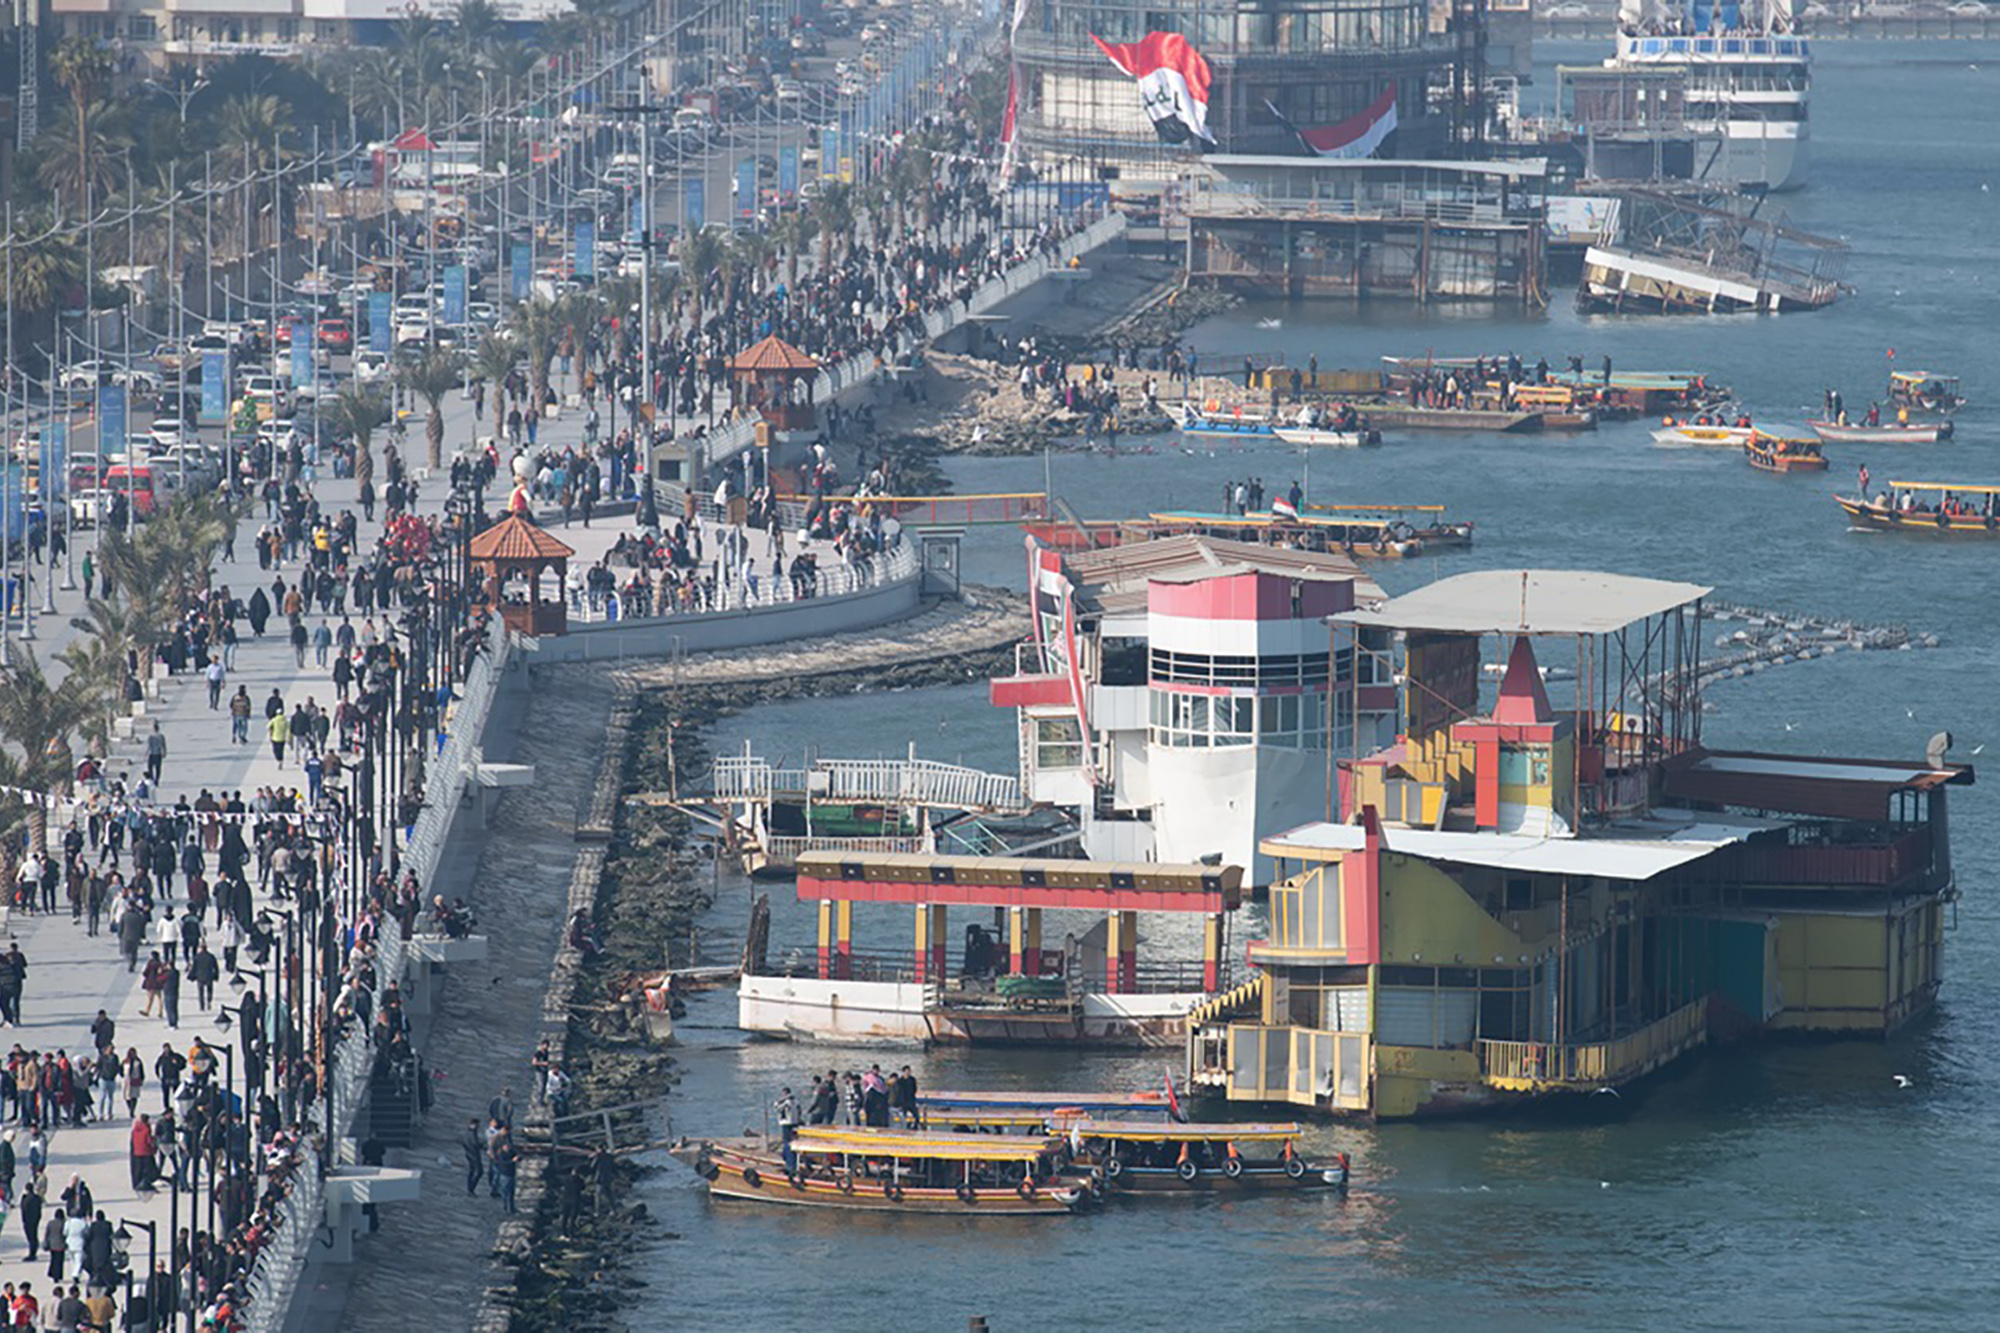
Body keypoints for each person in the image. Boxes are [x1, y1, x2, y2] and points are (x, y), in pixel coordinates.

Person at [461, 1119, 485, 1196]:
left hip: (470, 1154)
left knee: (472, 1171)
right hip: (474, 1155)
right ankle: (471, 1188)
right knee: (479, 1171)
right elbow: (475, 1144)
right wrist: (481, 1145)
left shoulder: (468, 1133)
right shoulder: (472, 1134)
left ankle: (470, 1188)